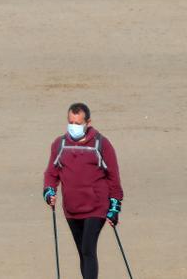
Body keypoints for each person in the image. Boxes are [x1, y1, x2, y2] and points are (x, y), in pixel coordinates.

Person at [43, 102, 124, 279]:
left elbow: (113, 177)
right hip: (72, 209)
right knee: (82, 252)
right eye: (71, 122)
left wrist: (115, 207)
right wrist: (49, 192)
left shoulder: (101, 144)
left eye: (78, 123)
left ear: (88, 122)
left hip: (96, 207)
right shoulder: (60, 144)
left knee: (88, 249)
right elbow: (51, 173)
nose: (73, 126)